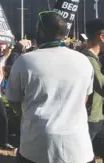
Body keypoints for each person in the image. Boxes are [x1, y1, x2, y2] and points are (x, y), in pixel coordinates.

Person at [7, 11, 94, 163]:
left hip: (37, 146)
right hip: (79, 147)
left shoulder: (25, 61)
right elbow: (84, 99)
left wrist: (32, 118)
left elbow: (14, 101)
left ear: (40, 32)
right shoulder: (84, 61)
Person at [81, 19, 104, 156]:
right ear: (101, 37)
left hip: (97, 116)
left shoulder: (93, 58)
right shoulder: (89, 60)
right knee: (84, 156)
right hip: (91, 118)